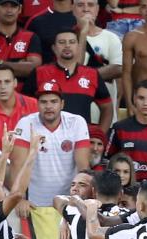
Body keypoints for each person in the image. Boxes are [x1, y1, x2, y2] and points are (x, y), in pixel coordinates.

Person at [11, 81, 92, 215]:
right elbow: (16, 164)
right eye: (43, 102)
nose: (48, 106)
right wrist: (18, 198)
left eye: (54, 101)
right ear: (37, 104)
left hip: (69, 202)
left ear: (62, 104)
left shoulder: (77, 122)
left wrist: (81, 199)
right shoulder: (25, 123)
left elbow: (83, 165)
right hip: (34, 204)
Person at [24, 30, 114, 133]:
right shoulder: (39, 73)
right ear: (54, 48)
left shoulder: (92, 74)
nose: (67, 46)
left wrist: (99, 136)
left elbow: (107, 107)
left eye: (72, 42)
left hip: (80, 140)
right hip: (45, 138)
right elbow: (24, 105)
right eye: (62, 42)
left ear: (78, 47)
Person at [105, 80, 147, 181]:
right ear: (134, 99)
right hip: (126, 187)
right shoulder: (119, 128)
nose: (145, 103)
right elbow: (108, 160)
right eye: (141, 98)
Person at [75, 0, 123, 126]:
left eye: (90, 5)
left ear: (97, 9)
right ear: (73, 9)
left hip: (104, 116)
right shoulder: (66, 38)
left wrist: (83, 76)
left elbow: (118, 69)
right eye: (80, 5)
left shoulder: (111, 37)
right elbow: (71, 71)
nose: (86, 9)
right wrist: (83, 33)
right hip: (76, 116)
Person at [0, 64, 39, 152]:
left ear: (15, 83)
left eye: (7, 81)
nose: (3, 87)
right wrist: (7, 166)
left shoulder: (34, 105)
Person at [0, 0, 43, 91]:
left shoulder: (30, 37)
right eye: (4, 6)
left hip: (24, 97)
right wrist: (19, 65)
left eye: (13, 6)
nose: (9, 10)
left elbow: (34, 69)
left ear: (20, 9)